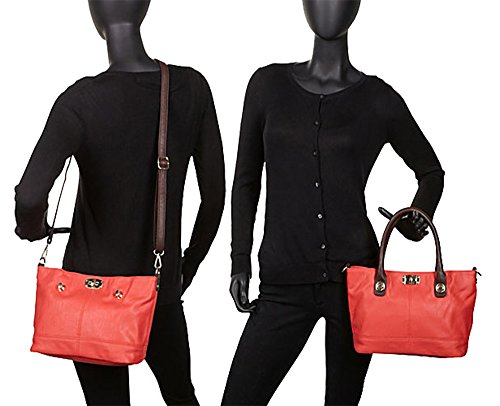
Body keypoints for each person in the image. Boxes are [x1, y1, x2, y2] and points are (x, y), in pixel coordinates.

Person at [223, 1, 444, 405]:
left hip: (356, 284)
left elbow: (431, 171)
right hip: (283, 281)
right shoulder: (267, 85)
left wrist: (419, 215)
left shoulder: (378, 98)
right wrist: (240, 260)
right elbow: (246, 180)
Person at [14, 1, 225, 405]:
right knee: (181, 396)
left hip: (92, 296)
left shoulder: (80, 100)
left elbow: (29, 196)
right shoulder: (191, 88)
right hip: (159, 288)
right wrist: (188, 265)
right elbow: (213, 198)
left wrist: (33, 229)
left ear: (95, 15)